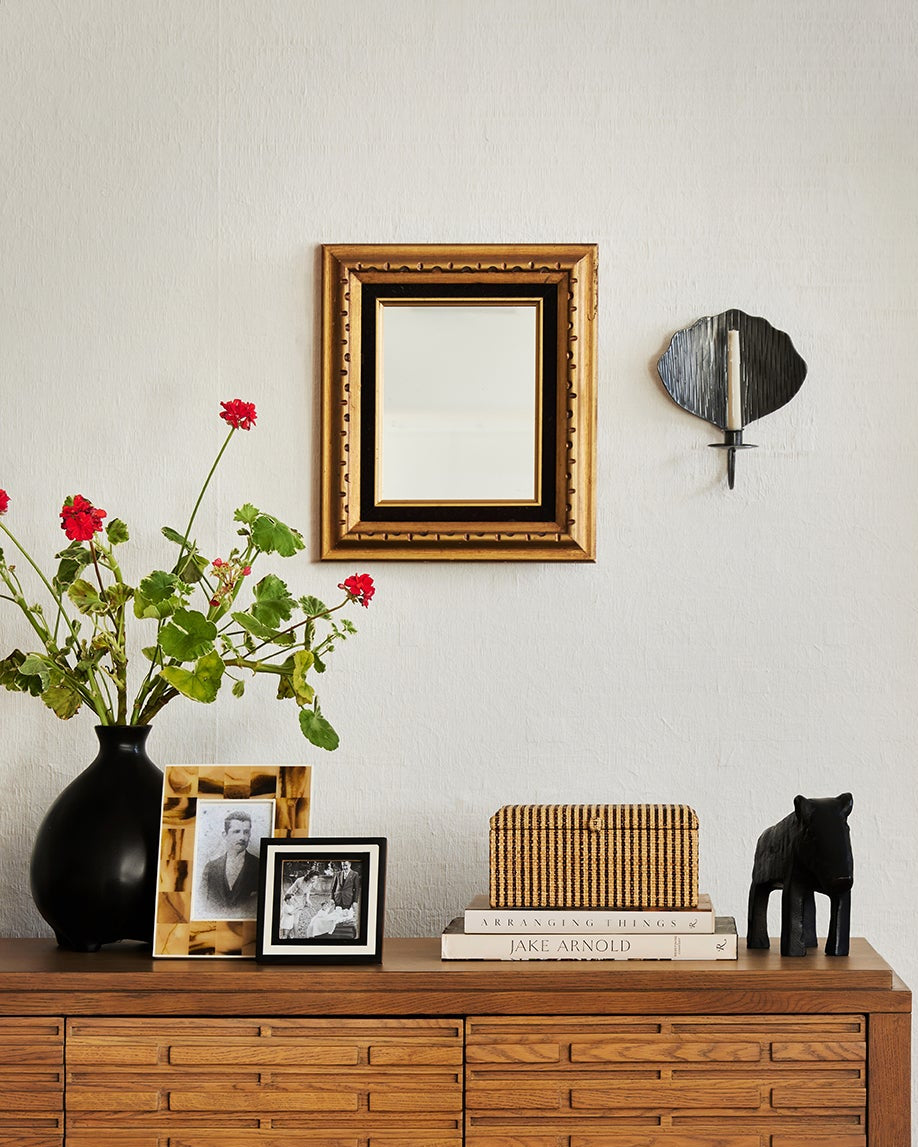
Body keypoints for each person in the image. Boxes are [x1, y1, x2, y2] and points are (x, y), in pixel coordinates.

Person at [201, 810, 260, 917]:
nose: (242, 837)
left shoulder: (260, 866)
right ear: (225, 835)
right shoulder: (211, 868)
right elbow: (202, 905)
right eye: (236, 831)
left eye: (246, 832)